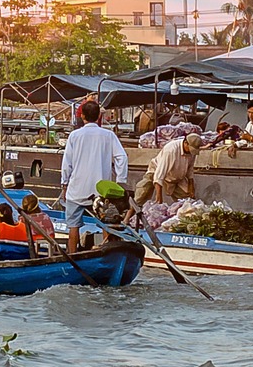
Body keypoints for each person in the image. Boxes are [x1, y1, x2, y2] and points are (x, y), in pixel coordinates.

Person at [61, 100, 128, 253]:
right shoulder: (108, 135)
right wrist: (120, 181)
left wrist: (64, 184)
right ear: (98, 116)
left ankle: (72, 256)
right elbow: (122, 157)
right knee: (106, 224)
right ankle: (108, 254)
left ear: (82, 116)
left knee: (73, 227)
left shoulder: (74, 136)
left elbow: (67, 164)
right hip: (102, 191)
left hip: (77, 189)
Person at [134, 133, 201, 204]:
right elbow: (159, 176)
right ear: (185, 143)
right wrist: (159, 199)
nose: (191, 152)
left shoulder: (191, 153)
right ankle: (132, 209)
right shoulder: (171, 150)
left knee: (187, 201)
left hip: (176, 176)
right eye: (191, 149)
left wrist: (191, 186)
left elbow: (190, 170)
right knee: (143, 191)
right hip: (157, 171)